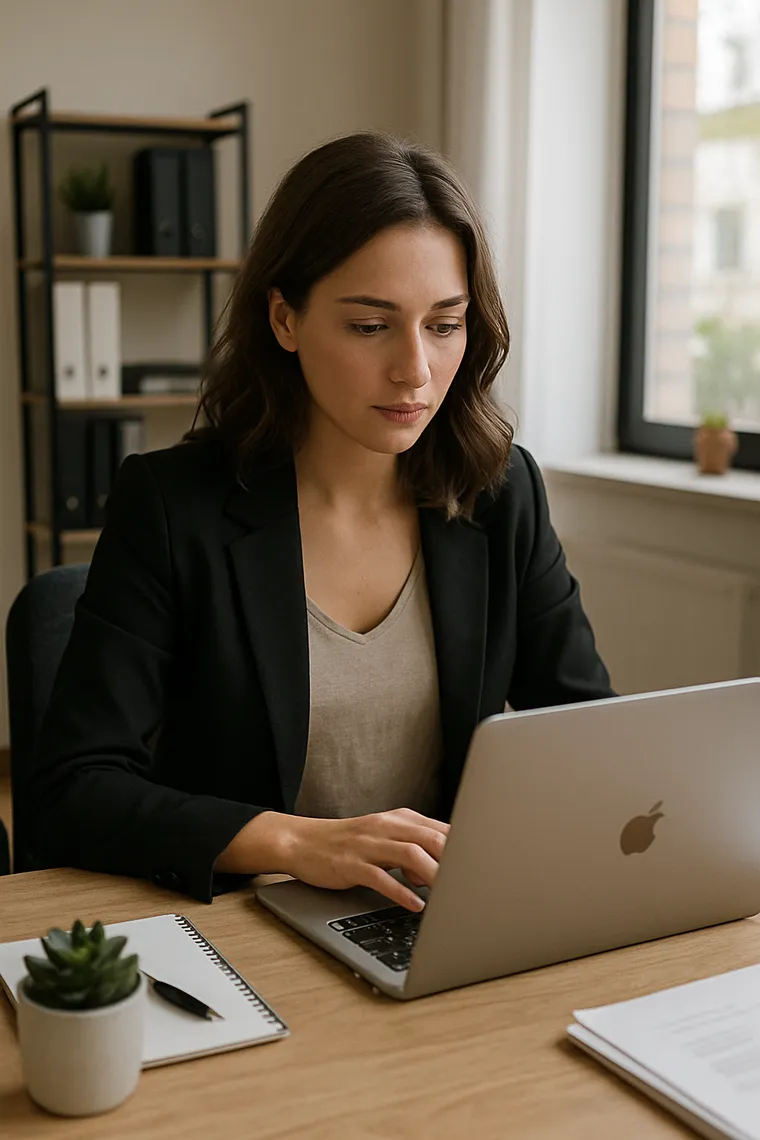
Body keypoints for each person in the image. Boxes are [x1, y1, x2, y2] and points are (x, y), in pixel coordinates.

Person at [28, 130, 614, 911]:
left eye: (444, 325)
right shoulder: (172, 506)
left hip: (432, 915)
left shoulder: (501, 493)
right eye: (370, 326)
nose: (415, 370)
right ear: (285, 319)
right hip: (243, 919)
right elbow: (72, 790)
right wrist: (297, 843)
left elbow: (588, 737)